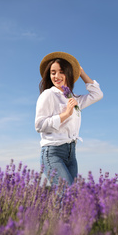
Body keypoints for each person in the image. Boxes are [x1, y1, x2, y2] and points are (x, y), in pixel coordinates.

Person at [35, 51, 103, 186]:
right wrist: (65, 114)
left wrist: (81, 73)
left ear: (69, 74)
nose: (57, 76)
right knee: (67, 195)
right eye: (53, 72)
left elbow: (97, 94)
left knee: (71, 201)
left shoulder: (74, 98)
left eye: (62, 72)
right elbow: (39, 125)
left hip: (71, 155)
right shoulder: (48, 95)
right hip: (53, 153)